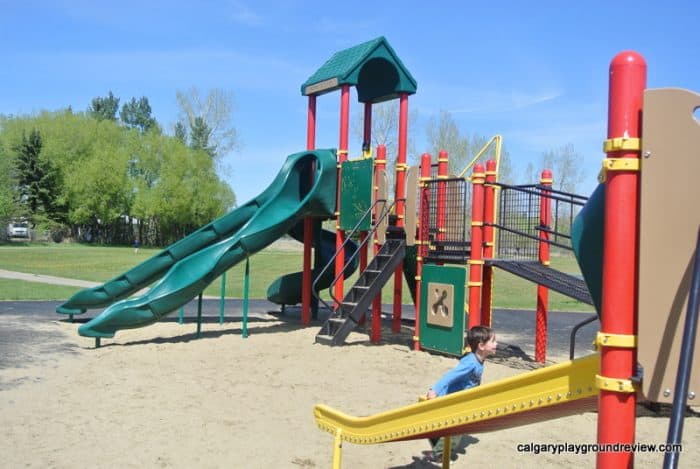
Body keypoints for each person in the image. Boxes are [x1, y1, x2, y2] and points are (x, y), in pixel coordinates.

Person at [425, 325, 498, 462]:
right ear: (481, 346)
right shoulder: (470, 362)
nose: (496, 344)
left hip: (462, 400)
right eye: (493, 341)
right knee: (457, 429)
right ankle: (439, 453)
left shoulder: (479, 360)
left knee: (451, 427)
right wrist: (434, 389)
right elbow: (451, 375)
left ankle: (440, 451)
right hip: (453, 400)